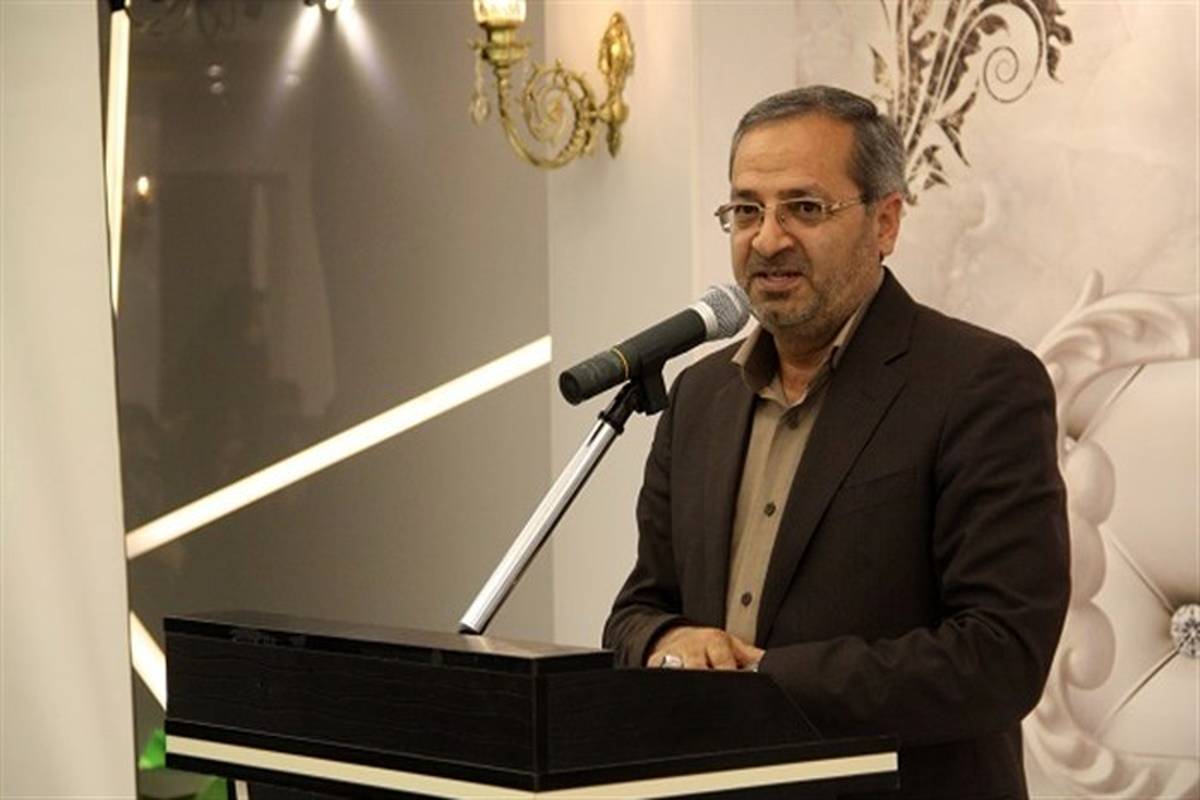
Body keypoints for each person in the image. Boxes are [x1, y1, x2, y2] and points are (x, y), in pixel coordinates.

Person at [602, 86, 1070, 798]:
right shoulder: (698, 397)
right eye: (746, 210)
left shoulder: (981, 383)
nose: (767, 239)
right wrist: (667, 644)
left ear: (886, 222)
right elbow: (637, 612)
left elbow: (1000, 656)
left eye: (804, 207)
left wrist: (763, 679)